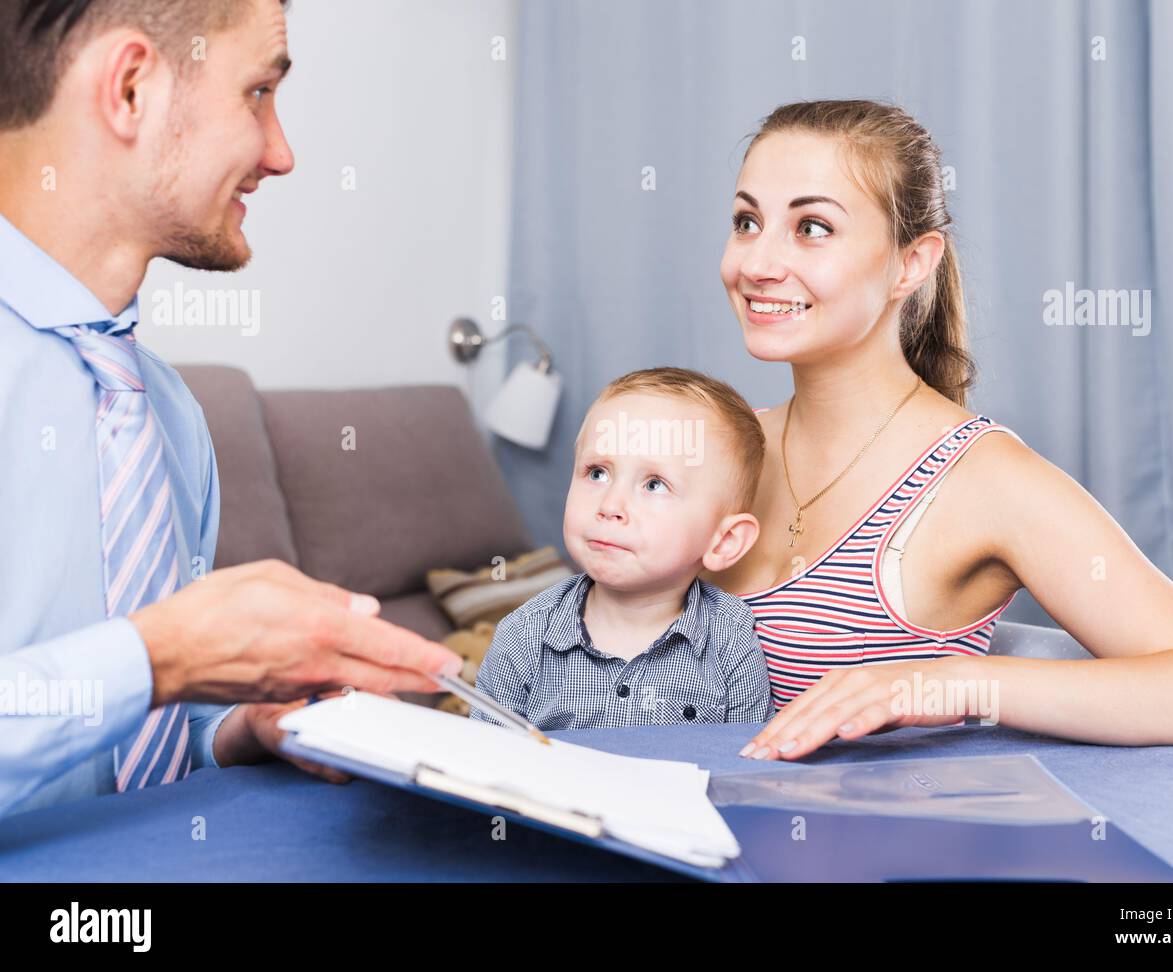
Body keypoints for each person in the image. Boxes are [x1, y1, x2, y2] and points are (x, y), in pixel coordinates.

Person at [698, 99, 1173, 760]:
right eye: (747, 221)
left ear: (913, 262)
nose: (757, 263)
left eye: (812, 227)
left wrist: (946, 683)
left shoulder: (980, 480)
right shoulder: (715, 448)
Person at [0, 0, 460, 819]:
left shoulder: (165, 413)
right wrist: (167, 654)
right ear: (132, 87)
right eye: (257, 92)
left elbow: (138, 733)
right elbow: (152, 666)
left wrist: (239, 728)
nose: (280, 154)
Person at [472, 367, 774, 729]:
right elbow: (482, 767)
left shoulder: (730, 641)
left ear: (724, 542)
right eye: (597, 473)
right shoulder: (523, 636)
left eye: (654, 484)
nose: (610, 504)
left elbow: (749, 770)